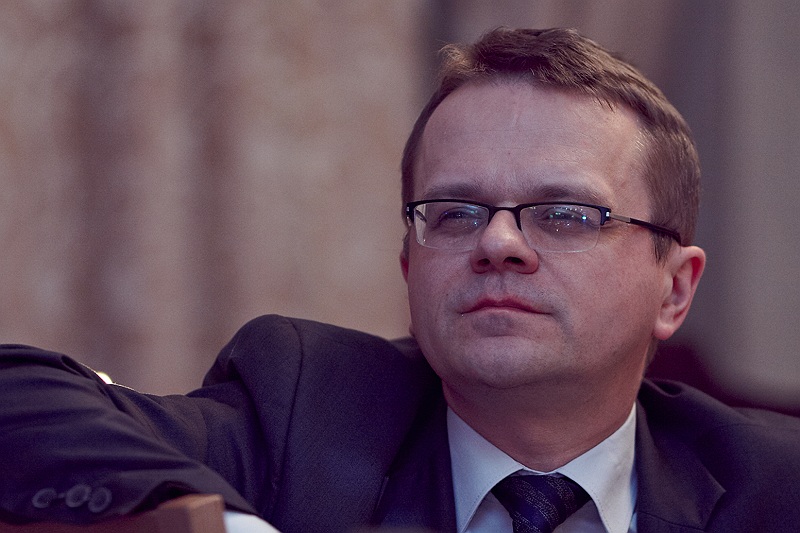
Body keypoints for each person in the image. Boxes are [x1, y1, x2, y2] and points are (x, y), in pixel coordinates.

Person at [1, 27, 799, 533]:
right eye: (454, 212)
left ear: (675, 289)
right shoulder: (303, 414)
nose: (497, 242)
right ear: (410, 265)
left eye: (564, 213)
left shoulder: (772, 484)